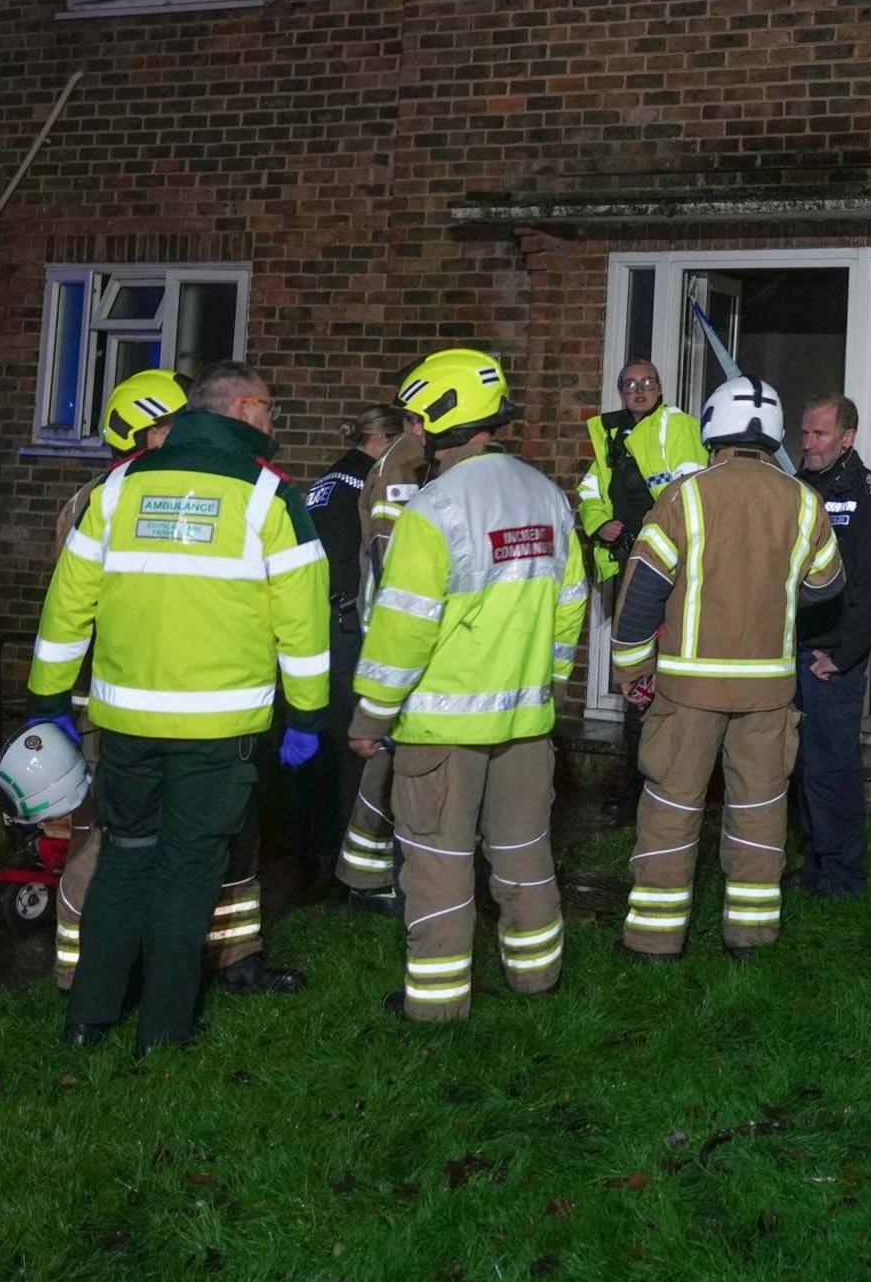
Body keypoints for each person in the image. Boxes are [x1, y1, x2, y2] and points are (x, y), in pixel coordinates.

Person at [27, 360, 333, 1051]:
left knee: (126, 859)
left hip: (125, 722)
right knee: (190, 870)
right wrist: (308, 717)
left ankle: (88, 1018)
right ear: (246, 408)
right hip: (216, 730)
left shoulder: (118, 486)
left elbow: (67, 604)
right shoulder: (269, 497)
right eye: (271, 409)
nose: (274, 424)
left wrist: (46, 698)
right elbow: (305, 626)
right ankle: (163, 1031)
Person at [352, 349, 586, 1021]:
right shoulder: (546, 494)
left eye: (417, 420)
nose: (413, 433)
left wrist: (371, 717)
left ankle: (435, 1005)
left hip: (441, 730)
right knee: (523, 853)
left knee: (437, 864)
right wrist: (549, 683)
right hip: (526, 722)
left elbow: (403, 631)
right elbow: (570, 603)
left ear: (439, 422)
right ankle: (537, 977)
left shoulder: (433, 509)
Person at [610, 376, 842, 960]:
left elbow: (641, 595)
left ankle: (653, 941)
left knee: (671, 807)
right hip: (769, 691)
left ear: (713, 428)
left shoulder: (685, 497)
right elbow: (828, 584)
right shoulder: (804, 500)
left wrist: (634, 672)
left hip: (688, 691)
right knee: (761, 812)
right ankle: (752, 935)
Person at [578, 358, 708, 811]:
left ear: (661, 386)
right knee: (636, 677)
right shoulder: (611, 434)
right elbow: (589, 491)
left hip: (667, 571)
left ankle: (659, 786)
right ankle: (638, 785)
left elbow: (690, 494)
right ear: (620, 392)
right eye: (629, 385)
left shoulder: (677, 425)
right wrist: (600, 525)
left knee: (659, 677)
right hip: (630, 565)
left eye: (647, 383)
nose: (639, 390)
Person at [786, 394, 871, 899]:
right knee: (801, 767)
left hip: (831, 659)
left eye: (820, 435)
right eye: (804, 433)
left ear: (847, 437)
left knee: (833, 768)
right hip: (791, 651)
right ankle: (814, 864)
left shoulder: (870, 494)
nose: (807, 443)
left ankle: (844, 877)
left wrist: (844, 655)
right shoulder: (795, 486)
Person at [302, 404, 409, 895]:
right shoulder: (369, 483)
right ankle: (351, 863)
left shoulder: (328, 480)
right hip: (348, 625)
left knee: (324, 743)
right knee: (356, 745)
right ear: (384, 439)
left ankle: (318, 854)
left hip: (319, 621)